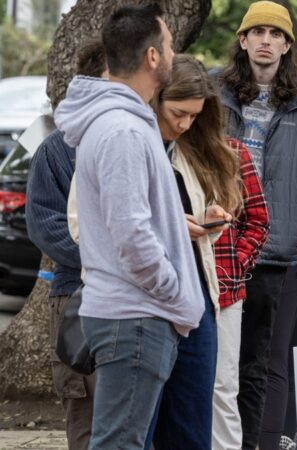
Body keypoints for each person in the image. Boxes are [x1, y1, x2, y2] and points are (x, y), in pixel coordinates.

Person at [54, 5, 207, 448]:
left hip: (132, 314)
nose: (175, 52)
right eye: (171, 43)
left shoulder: (120, 122)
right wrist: (174, 290)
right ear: (153, 57)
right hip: (136, 316)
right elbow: (132, 235)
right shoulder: (123, 130)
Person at [213, 2, 297, 448]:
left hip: (278, 248)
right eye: (257, 31)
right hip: (219, 245)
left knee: (265, 363)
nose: (266, 40)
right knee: (219, 360)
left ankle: (261, 444)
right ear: (242, 40)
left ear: (287, 45)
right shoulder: (214, 88)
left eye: (275, 33)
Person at [140, 53, 240, 450]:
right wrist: (171, 226)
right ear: (155, 98)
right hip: (143, 305)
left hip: (196, 303)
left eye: (194, 116)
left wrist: (207, 220)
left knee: (191, 429)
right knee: (140, 429)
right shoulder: (125, 140)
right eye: (178, 112)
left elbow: (190, 230)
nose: (183, 124)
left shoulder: (188, 151)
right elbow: (86, 228)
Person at [25, 38, 107, 450]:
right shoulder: (55, 150)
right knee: (86, 412)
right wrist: (108, 261)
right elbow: (46, 226)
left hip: (133, 297)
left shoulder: (146, 138)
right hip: (75, 295)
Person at [212, 119, 270, 448]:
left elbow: (259, 218)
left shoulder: (234, 152)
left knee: (223, 385)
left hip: (225, 290)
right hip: (173, 291)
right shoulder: (161, 150)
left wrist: (236, 263)